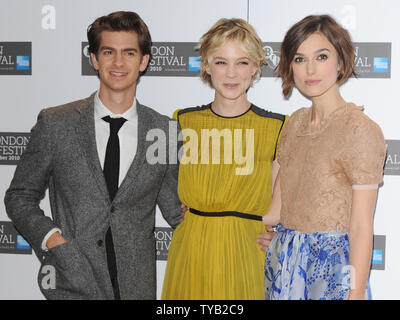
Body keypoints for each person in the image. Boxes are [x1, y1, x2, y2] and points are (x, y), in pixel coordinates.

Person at [4, 11, 181, 300]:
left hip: (136, 289)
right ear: (95, 59)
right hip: (72, 283)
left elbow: (176, 210)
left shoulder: (164, 130)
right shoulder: (56, 123)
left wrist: (242, 231)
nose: (119, 63)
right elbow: (19, 196)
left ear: (144, 61)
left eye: (129, 53)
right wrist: (53, 240)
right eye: (108, 52)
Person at [162, 18, 287, 300]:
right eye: (221, 62)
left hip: (247, 248)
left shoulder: (277, 127)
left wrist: (276, 235)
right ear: (206, 65)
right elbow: (162, 185)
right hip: (191, 250)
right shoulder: (183, 121)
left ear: (256, 67)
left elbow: (279, 207)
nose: (231, 73)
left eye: (242, 62)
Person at [263, 15, 386, 300]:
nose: (310, 69)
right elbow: (276, 211)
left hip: (332, 271)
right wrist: (205, 214)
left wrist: (354, 295)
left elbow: (360, 227)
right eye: (299, 59)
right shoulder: (293, 124)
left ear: (341, 62)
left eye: (321, 56)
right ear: (289, 67)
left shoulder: (360, 129)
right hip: (284, 264)